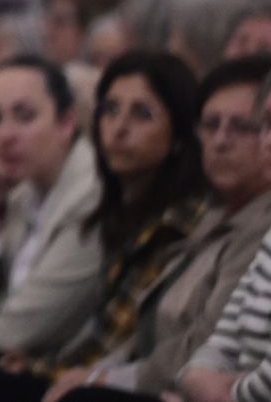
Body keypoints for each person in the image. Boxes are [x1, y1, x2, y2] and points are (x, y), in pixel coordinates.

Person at [0, 52, 209, 402]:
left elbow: (16, 330)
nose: (5, 135)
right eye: (111, 110)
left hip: (111, 379)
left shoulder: (97, 197)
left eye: (24, 116)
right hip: (66, 365)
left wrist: (39, 364)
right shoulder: (22, 193)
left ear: (67, 123)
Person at [59, 56, 271, 402]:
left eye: (242, 127)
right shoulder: (213, 218)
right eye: (211, 124)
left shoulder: (254, 225)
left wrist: (99, 379)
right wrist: (95, 376)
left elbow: (203, 338)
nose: (220, 141)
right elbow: (213, 340)